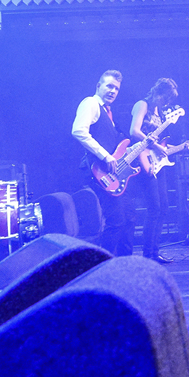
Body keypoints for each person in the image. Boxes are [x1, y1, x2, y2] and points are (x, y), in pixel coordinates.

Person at [72, 70, 134, 256]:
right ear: (98, 86)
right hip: (98, 170)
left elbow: (117, 146)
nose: (113, 91)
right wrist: (105, 155)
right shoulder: (90, 103)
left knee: (129, 218)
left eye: (116, 88)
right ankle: (99, 266)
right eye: (109, 86)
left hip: (113, 173)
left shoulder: (109, 113)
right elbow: (78, 131)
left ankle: (126, 266)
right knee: (116, 221)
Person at [129, 78, 179, 264]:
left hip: (156, 161)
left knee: (163, 206)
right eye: (164, 98)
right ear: (157, 93)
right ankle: (147, 255)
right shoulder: (143, 105)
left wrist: (180, 146)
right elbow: (134, 131)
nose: (166, 103)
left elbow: (160, 144)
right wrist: (156, 145)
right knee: (154, 207)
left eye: (168, 101)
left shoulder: (160, 112)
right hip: (141, 159)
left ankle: (154, 252)